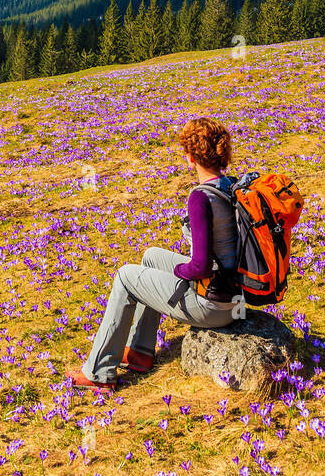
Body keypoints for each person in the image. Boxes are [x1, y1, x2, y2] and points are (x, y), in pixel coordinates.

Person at [68, 116, 245, 392]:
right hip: (236, 299)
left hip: (214, 307)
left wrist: (179, 272)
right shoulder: (230, 186)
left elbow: (199, 266)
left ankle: (99, 373)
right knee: (151, 256)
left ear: (191, 156)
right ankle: (140, 351)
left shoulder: (200, 196)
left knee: (126, 276)